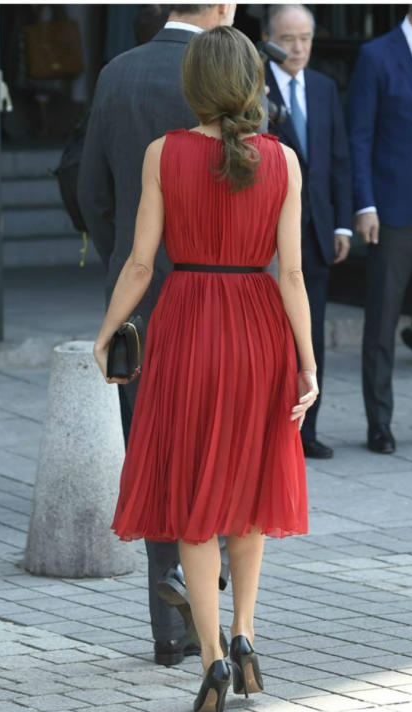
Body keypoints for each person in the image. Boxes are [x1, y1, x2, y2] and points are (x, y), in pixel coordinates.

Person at [93, 27, 315, 712]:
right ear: (251, 83)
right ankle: (247, 636)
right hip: (258, 330)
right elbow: (292, 273)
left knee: (195, 500)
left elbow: (138, 262)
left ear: (195, 82)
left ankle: (213, 649)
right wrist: (307, 362)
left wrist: (106, 334)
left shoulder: (166, 154)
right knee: (249, 490)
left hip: (187, 324)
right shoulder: (282, 161)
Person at [78, 3, 238, 669]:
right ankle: (212, 592)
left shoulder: (117, 72)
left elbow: (92, 192)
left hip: (142, 303)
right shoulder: (233, 70)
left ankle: (168, 634)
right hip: (224, 295)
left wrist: (128, 262)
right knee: (223, 452)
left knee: (155, 460)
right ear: (223, 6)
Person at [348, 4, 412, 453]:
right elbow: (360, 135)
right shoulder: (376, 54)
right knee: (383, 315)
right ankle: (379, 425)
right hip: (391, 203)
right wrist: (364, 203)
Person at [263, 4, 353, 460]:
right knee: (270, 337)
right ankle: (272, 430)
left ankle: (306, 431)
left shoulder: (323, 87)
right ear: (269, 37)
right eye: (288, 37)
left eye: (305, 38)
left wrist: (342, 222)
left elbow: (337, 158)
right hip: (264, 235)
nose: (298, 47)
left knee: (309, 334)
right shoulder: (253, 86)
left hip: (315, 231)